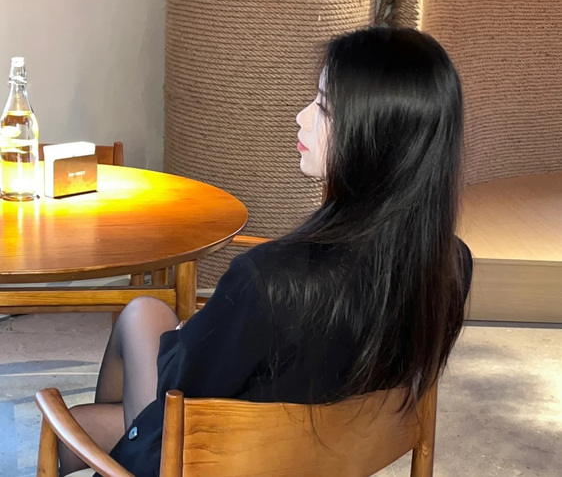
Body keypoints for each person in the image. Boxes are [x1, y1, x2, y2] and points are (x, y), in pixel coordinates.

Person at [60, 26, 472, 476]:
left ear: (375, 139)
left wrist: (192, 331)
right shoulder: (448, 264)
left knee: (122, 350)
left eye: (324, 107)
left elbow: (180, 387)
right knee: (140, 323)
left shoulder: (270, 280)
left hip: (223, 461)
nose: (302, 116)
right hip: (316, 454)